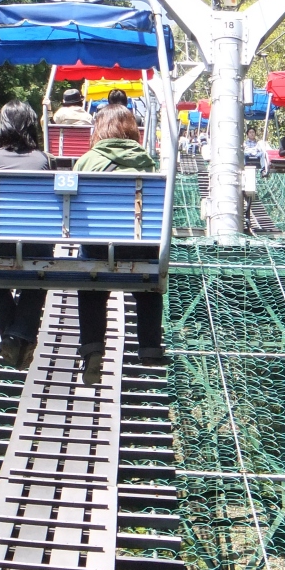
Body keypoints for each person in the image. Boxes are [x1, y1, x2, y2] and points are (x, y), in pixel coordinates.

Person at [73, 104, 165, 382]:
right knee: (149, 283)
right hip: (139, 248)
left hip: (98, 247)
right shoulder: (147, 162)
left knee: (90, 285)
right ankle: (149, 346)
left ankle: (92, 348)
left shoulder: (87, 161)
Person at [0, 100, 52, 370]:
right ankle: (18, 336)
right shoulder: (45, 161)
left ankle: (14, 337)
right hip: (36, 245)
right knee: (39, 276)